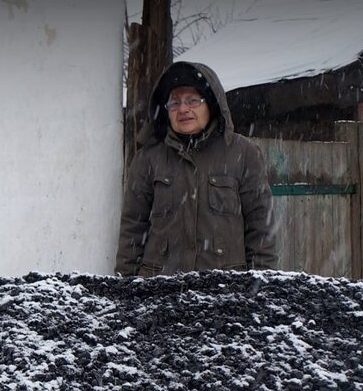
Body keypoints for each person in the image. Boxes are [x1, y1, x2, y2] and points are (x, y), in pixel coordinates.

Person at [116, 61, 276, 276]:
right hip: (160, 292)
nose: (183, 109)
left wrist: (260, 289)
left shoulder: (244, 154)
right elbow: (132, 230)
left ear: (211, 103)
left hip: (225, 291)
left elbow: (261, 230)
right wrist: (125, 289)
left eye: (193, 100)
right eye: (174, 102)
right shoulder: (148, 158)